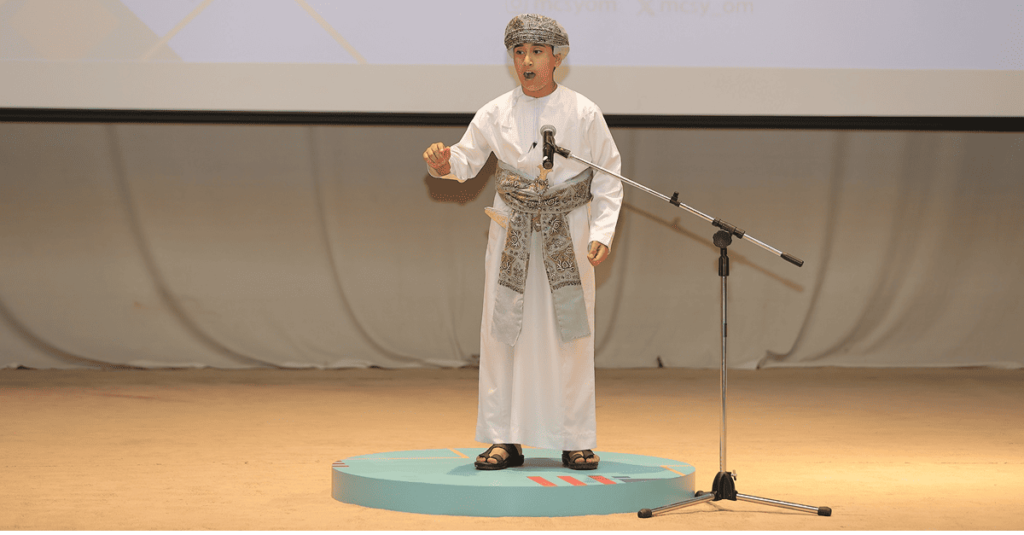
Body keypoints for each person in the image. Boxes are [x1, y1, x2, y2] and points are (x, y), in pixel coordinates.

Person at [422, 13, 623, 471]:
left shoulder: (583, 112)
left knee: (569, 332)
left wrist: (601, 232)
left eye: (536, 52)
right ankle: (503, 439)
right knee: (503, 331)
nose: (527, 61)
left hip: (568, 231)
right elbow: (464, 162)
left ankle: (575, 438)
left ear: (557, 58)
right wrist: (442, 162)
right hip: (511, 230)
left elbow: (609, 177)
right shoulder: (494, 112)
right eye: (519, 52)